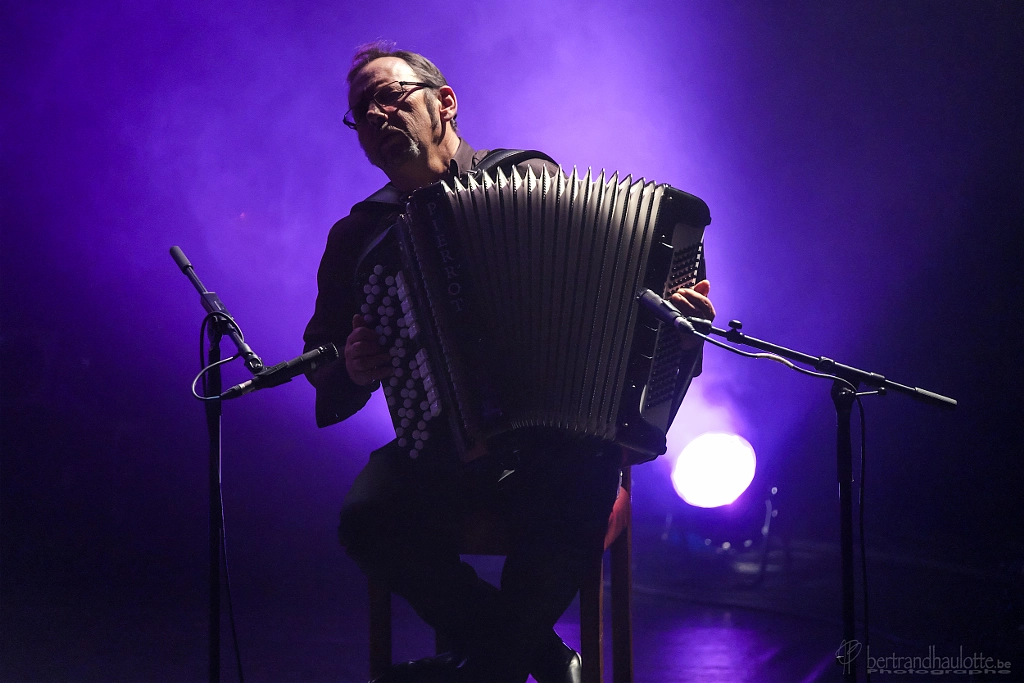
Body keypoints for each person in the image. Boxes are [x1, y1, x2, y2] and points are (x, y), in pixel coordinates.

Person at [303, 42, 716, 683]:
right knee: (368, 518)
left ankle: (480, 670)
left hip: (556, 440)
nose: (376, 115)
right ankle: (540, 658)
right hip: (442, 442)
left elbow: (614, 303)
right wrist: (354, 368)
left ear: (445, 103)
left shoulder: (528, 177)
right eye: (360, 110)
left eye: (390, 95)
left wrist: (676, 320)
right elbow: (322, 361)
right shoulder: (358, 236)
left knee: (577, 485)